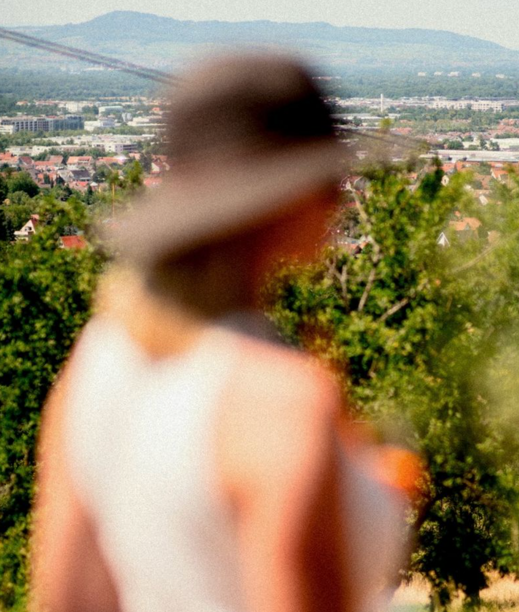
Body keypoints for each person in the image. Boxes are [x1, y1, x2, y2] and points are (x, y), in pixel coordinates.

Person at [30, 55, 422, 612]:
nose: (341, 197)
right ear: (280, 200)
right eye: (327, 178)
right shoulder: (281, 400)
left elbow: (70, 600)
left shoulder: (100, 358)